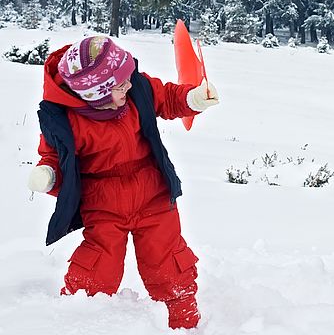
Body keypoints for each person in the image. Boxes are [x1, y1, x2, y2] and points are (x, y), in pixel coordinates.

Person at [26, 35, 219, 329]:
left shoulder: (136, 90)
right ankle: (77, 317)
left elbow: (167, 98)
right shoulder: (66, 120)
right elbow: (55, 156)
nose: (128, 85)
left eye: (127, 77)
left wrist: (191, 99)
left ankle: (184, 323)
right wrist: (48, 174)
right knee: (99, 263)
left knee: (166, 258)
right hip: (102, 202)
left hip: (152, 191)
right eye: (119, 85)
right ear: (96, 94)